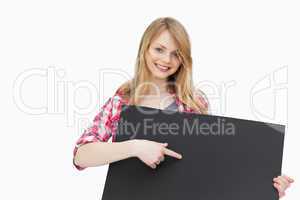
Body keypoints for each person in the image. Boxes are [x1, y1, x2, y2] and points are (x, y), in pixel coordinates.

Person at [73, 17, 294, 198]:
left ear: (183, 60)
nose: (166, 59)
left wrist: (265, 186)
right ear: (145, 50)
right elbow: (81, 156)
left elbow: (211, 167)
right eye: (159, 49)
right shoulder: (123, 100)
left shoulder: (194, 103)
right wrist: (135, 147)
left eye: (175, 54)